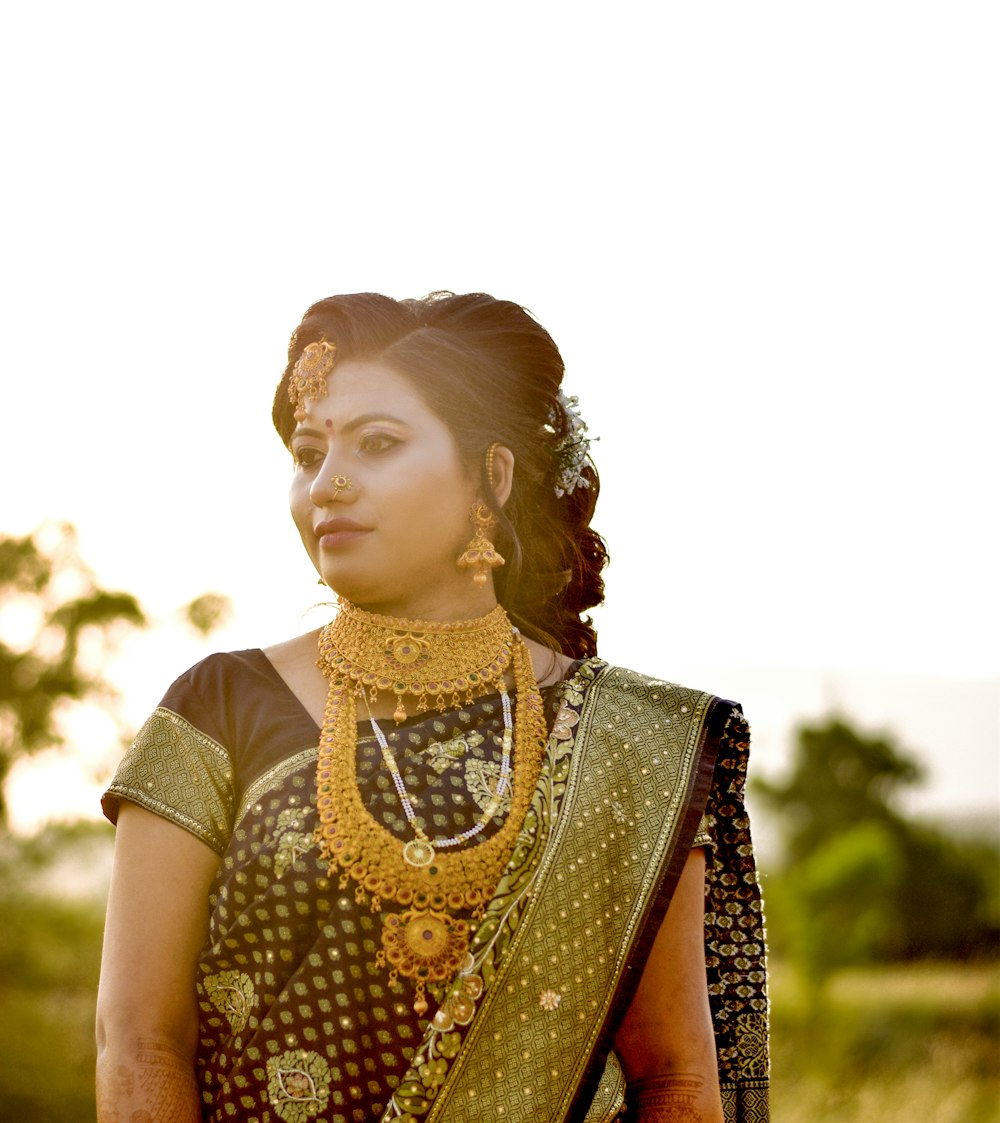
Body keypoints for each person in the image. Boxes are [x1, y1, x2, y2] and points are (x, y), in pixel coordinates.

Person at [96, 292, 769, 1123]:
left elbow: (675, 1078)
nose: (327, 481)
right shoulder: (220, 705)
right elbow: (138, 1042)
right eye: (309, 452)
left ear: (491, 476)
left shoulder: (627, 745)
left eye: (377, 444)